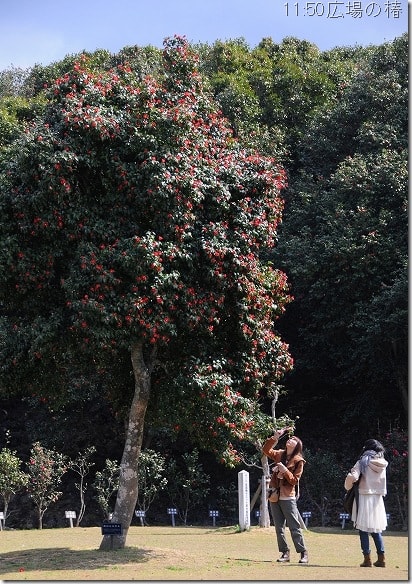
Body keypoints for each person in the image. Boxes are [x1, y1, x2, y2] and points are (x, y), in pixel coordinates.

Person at [262, 427, 308, 564]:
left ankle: (303, 553)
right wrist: (275, 437)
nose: (290, 439)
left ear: (297, 446)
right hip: (275, 495)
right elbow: (266, 450)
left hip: (288, 496)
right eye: (290, 438)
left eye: (294, 440)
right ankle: (285, 553)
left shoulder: (299, 461)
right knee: (278, 527)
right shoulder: (280, 454)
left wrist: (284, 470)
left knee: (294, 526)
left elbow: (294, 480)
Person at [344, 438, 388, 568]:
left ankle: (367, 559)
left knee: (363, 529)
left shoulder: (363, 461)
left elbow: (353, 477)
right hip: (377, 499)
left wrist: (348, 482)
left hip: (363, 496)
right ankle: (381, 557)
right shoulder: (383, 463)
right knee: (376, 528)